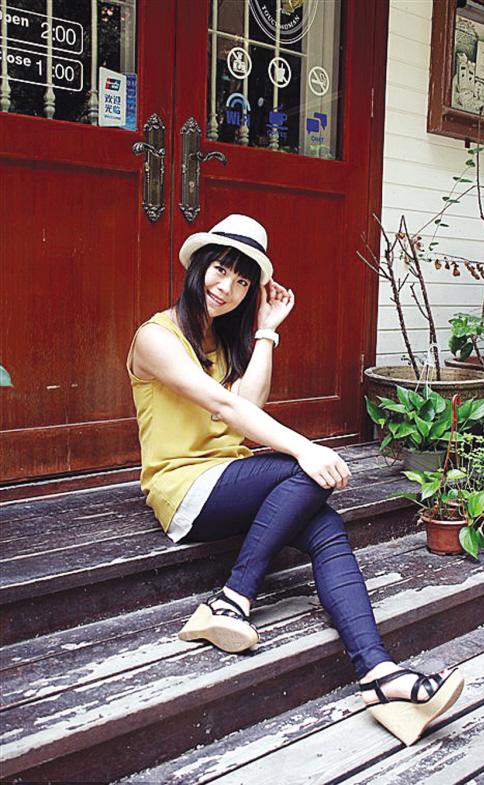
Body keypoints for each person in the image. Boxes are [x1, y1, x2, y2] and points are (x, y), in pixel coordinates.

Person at [126, 214, 464, 746]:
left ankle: (380, 676)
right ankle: (232, 598)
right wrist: (305, 447)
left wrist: (266, 330)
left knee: (326, 528)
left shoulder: (222, 340)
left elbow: (247, 407)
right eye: (220, 271)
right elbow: (223, 406)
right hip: (184, 490)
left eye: (242, 282)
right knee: (302, 470)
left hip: (229, 481)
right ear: (197, 268)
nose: (227, 288)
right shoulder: (156, 337)